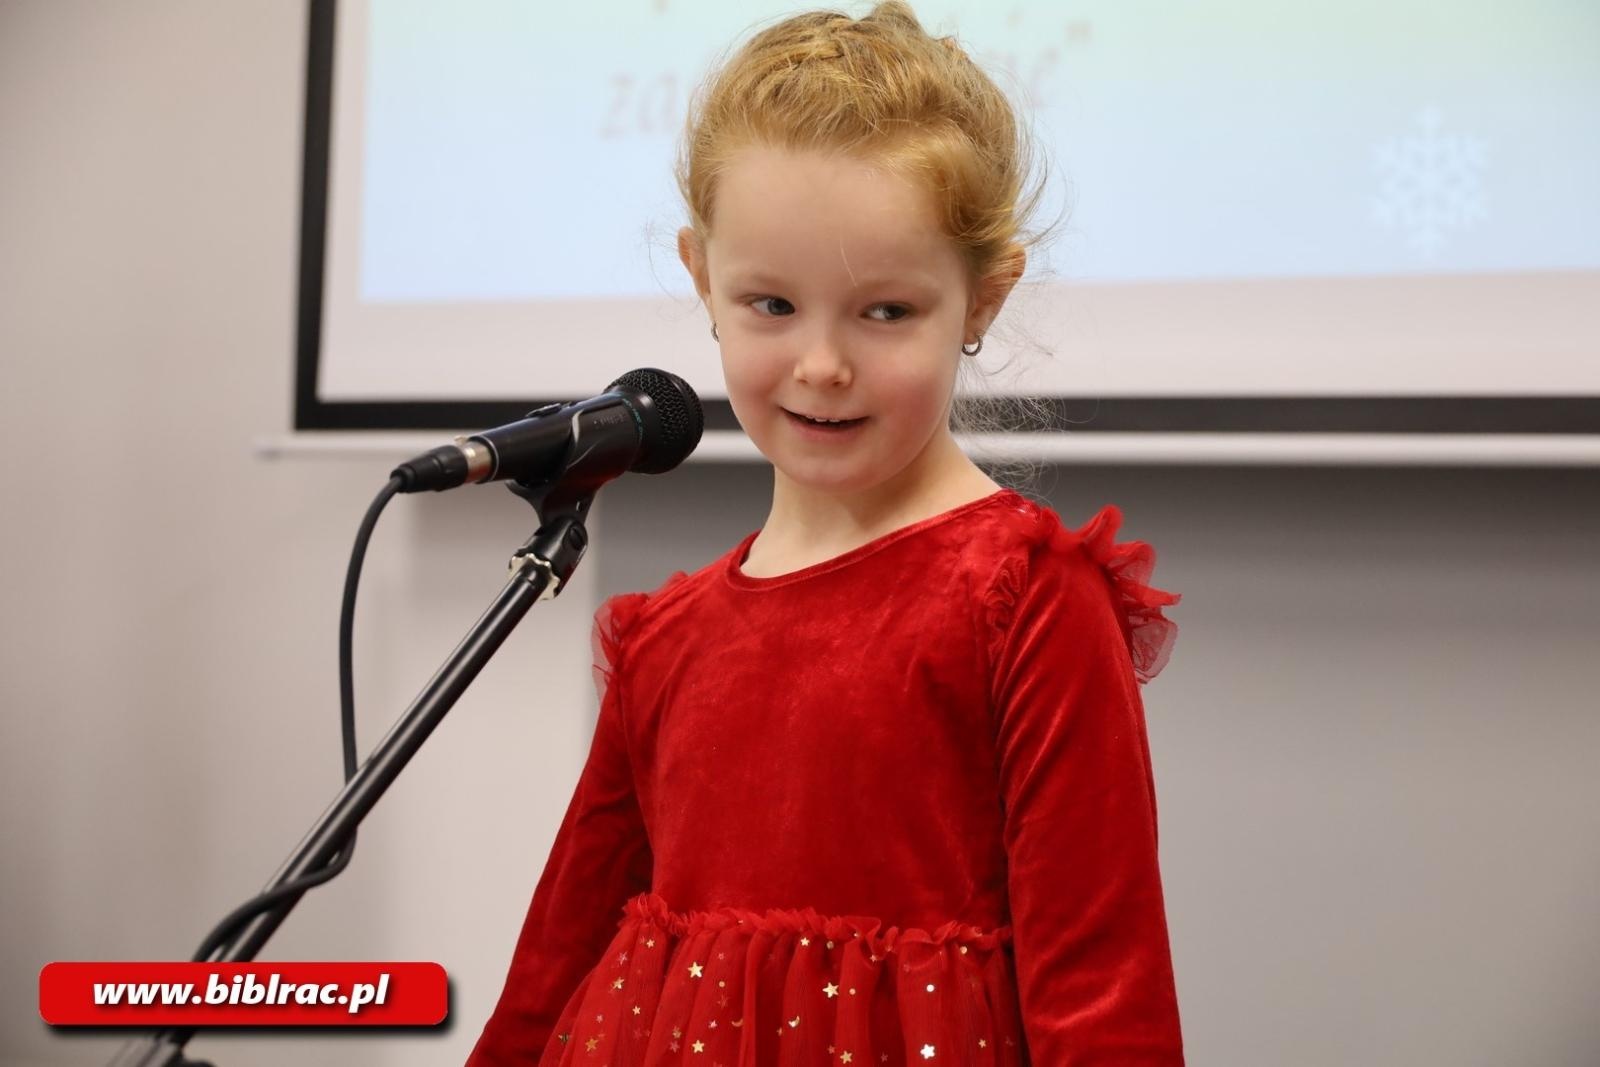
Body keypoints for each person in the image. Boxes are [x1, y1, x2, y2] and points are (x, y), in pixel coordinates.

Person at [468, 3, 1185, 1063]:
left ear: (982, 298)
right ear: (702, 276)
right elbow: (553, 965)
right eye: (769, 304)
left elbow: (1103, 993)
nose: (821, 364)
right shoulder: (665, 636)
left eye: (884, 312)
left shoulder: (1023, 596)